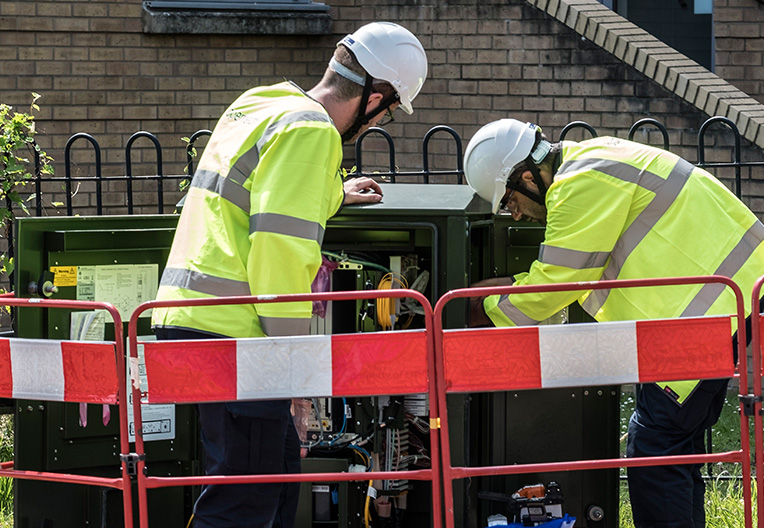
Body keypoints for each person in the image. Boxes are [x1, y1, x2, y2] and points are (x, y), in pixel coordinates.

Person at [151, 22, 427, 528]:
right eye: (387, 111)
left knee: (274, 484)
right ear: (374, 98)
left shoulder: (263, 103)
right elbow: (280, 251)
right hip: (235, 337)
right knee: (244, 504)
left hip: (191, 321)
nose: (378, 122)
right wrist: (295, 376)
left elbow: (262, 194)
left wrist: (336, 193)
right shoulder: (312, 133)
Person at [463, 118, 764, 528]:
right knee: (677, 449)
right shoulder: (592, 159)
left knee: (655, 450)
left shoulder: (578, 185)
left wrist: (471, 306)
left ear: (527, 176)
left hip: (702, 316)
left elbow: (551, 287)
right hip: (718, 304)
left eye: (509, 200)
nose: (514, 214)